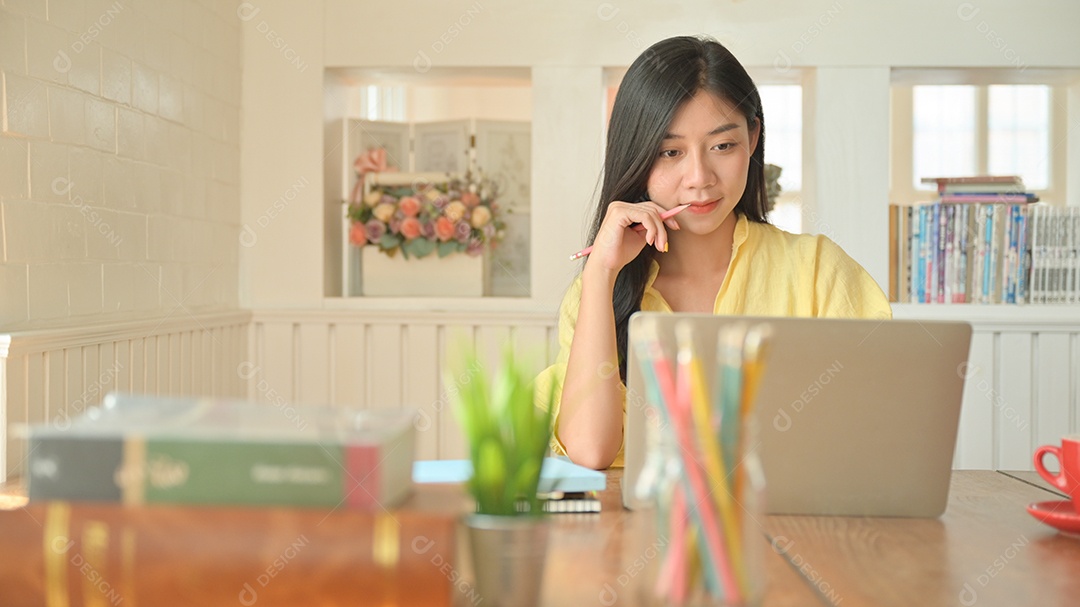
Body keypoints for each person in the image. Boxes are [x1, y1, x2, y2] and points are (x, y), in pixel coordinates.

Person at [534, 35, 891, 470]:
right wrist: (600, 274)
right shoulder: (597, 296)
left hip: (793, 530)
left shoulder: (819, 271)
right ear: (637, 156)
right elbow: (590, 453)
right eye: (670, 152)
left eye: (722, 146)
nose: (699, 178)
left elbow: (876, 432)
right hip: (638, 531)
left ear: (753, 137)